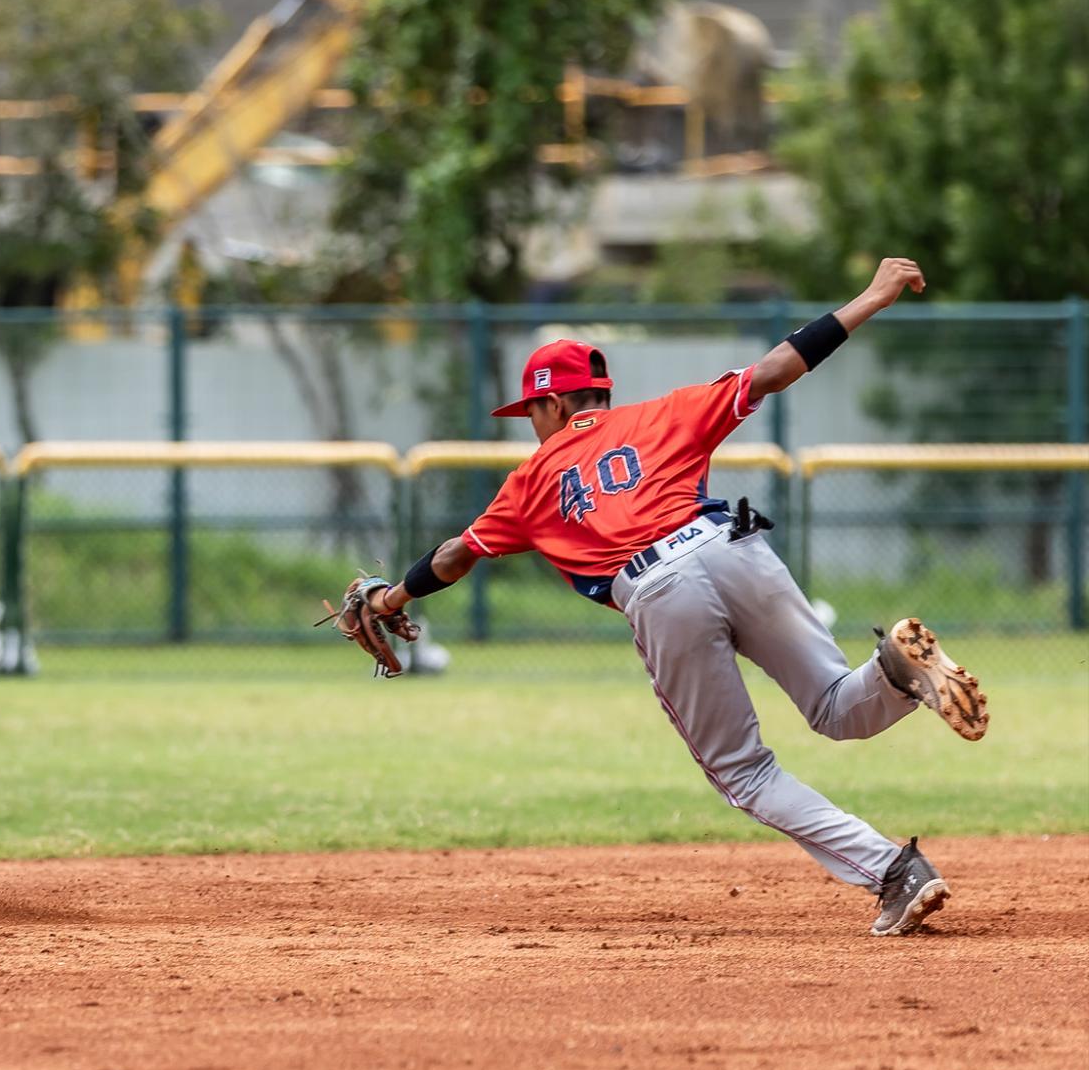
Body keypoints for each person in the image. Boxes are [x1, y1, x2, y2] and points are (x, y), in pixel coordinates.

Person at [341, 258, 987, 937]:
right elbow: (775, 368)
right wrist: (870, 298)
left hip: (657, 586)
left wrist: (387, 601)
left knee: (745, 774)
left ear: (555, 404)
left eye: (531, 408)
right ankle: (894, 668)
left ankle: (893, 871)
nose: (529, 422)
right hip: (732, 545)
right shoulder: (666, 412)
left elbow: (452, 557)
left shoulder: (532, 480)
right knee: (834, 706)